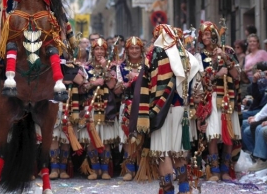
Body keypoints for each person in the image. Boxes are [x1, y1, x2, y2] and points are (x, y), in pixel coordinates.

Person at [132, 24, 200, 193]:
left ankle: (168, 189)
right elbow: (196, 86)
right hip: (181, 110)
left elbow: (145, 83)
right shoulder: (186, 56)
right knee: (178, 151)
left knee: (162, 152)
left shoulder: (154, 53)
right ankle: (185, 188)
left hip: (160, 110)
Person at [196, 21, 241, 181]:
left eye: (208, 34)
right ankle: (214, 170)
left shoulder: (227, 50)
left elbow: (237, 76)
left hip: (228, 97)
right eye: (203, 35)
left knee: (229, 134)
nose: (205, 37)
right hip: (211, 98)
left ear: (215, 35)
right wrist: (216, 75)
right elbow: (200, 81)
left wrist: (226, 59)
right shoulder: (199, 56)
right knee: (213, 135)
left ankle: (225, 170)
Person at [79, 38, 118, 180]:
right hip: (91, 107)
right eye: (97, 49)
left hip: (106, 107)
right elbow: (81, 88)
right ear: (93, 51)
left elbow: (112, 85)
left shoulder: (111, 66)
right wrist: (95, 83)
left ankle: (105, 170)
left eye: (102, 49)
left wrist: (105, 68)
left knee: (105, 141)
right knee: (91, 141)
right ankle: (95, 170)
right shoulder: (86, 67)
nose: (99, 51)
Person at [114, 36, 144, 181]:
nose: (134, 51)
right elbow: (117, 90)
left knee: (142, 135)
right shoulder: (120, 67)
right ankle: (129, 169)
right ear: (127, 50)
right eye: (131, 48)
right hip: (126, 104)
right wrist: (123, 85)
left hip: (143, 105)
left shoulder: (147, 65)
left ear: (141, 49)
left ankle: (142, 167)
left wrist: (138, 78)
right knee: (127, 136)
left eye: (137, 48)